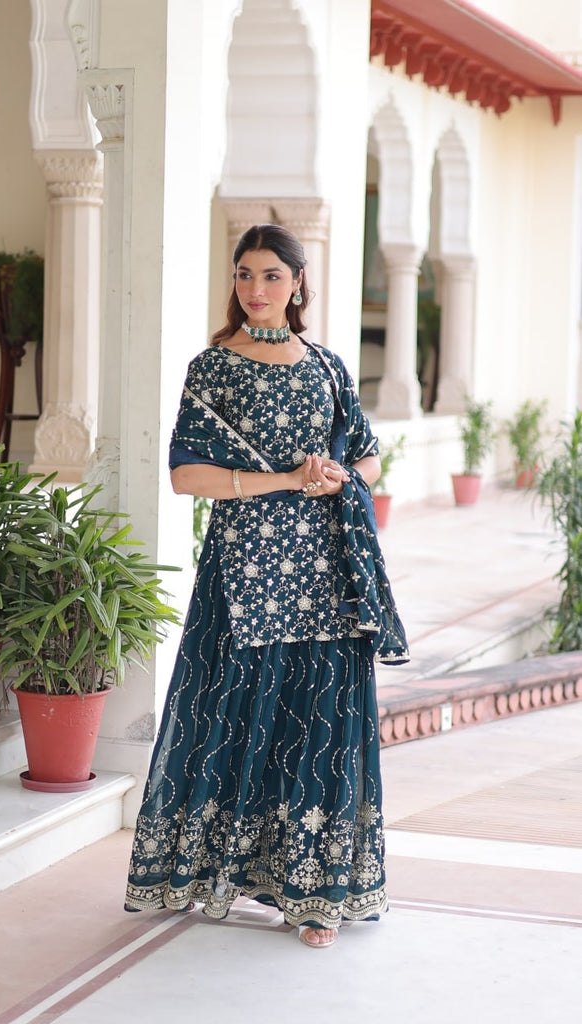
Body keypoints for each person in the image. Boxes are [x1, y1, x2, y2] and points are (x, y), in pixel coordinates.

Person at [124, 224, 408, 949]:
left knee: (321, 724)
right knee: (231, 712)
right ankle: (206, 873)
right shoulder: (214, 367)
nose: (256, 289)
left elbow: (370, 460)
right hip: (243, 570)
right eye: (244, 274)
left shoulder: (328, 367)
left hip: (326, 572)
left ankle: (314, 897)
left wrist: (338, 478)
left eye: (272, 275)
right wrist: (283, 479)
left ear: (299, 282)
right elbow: (186, 474)